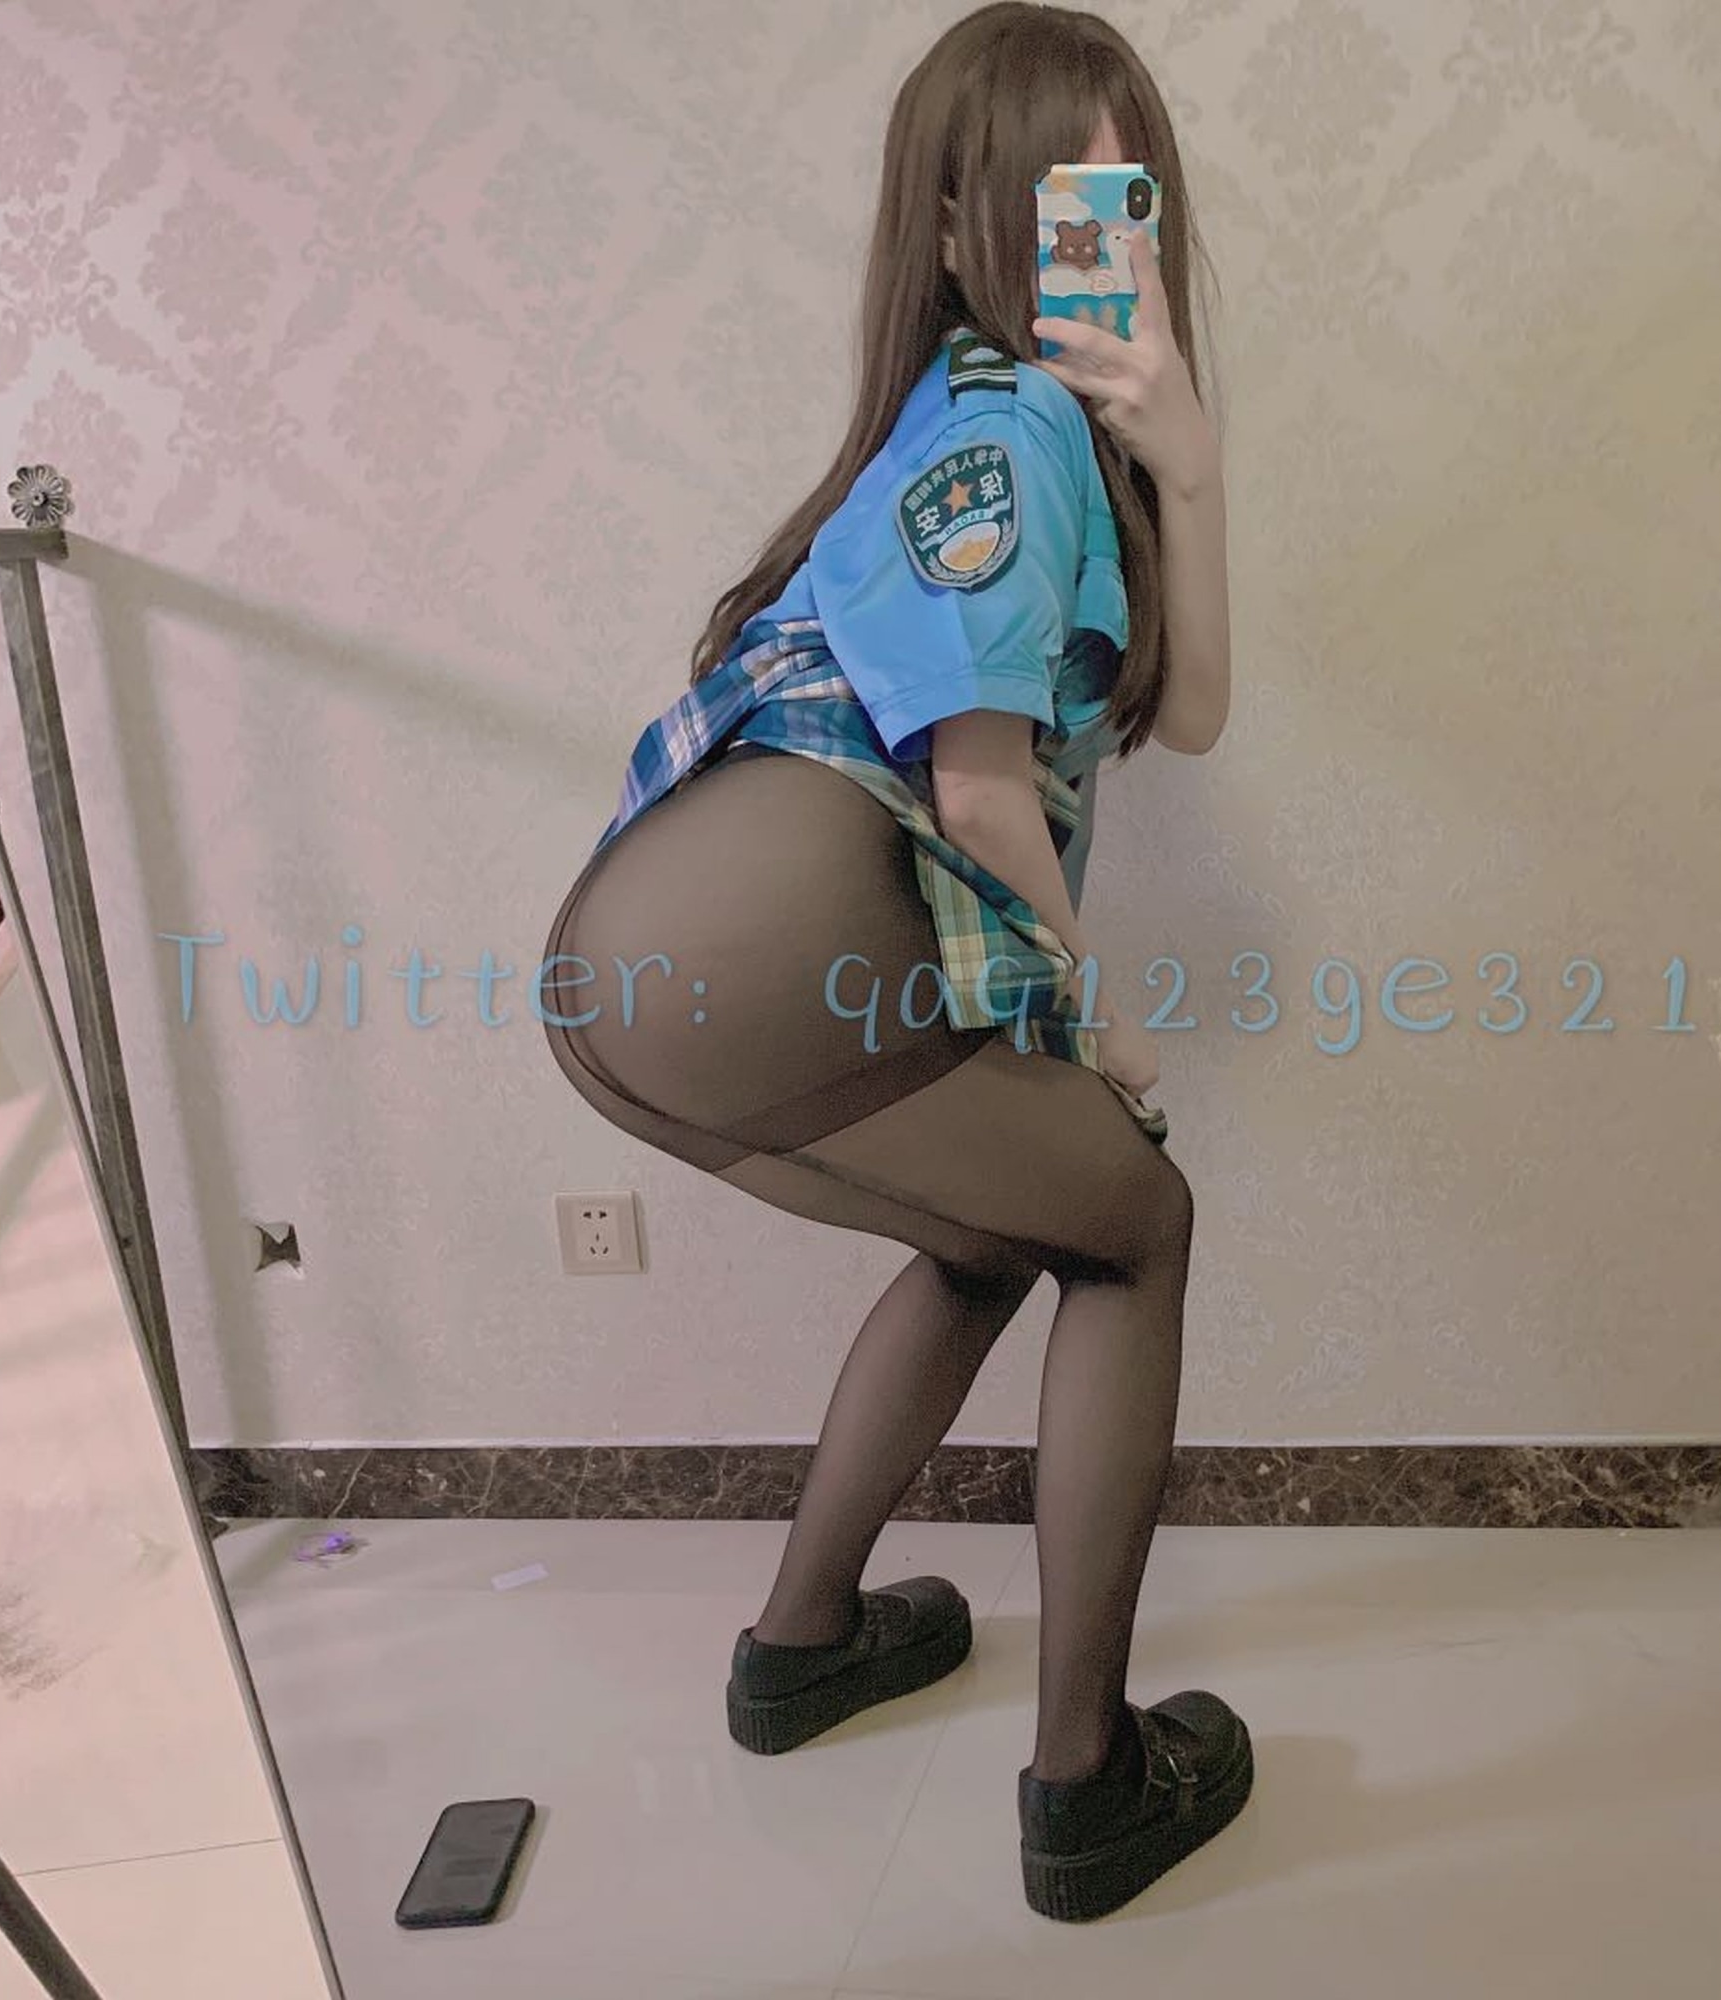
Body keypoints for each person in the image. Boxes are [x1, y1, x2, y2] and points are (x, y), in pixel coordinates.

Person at [540, 1, 1242, 1922]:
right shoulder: (1004, 427)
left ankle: (804, 1645)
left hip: (653, 966)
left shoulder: (1013, 424)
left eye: (1123, 196)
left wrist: (1190, 461)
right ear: (948, 227)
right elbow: (985, 788)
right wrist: (1103, 1019)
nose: (1100, 238)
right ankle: (1090, 1785)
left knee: (992, 1233)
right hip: (774, 926)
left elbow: (1186, 718)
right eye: (1049, 198)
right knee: (1139, 1222)